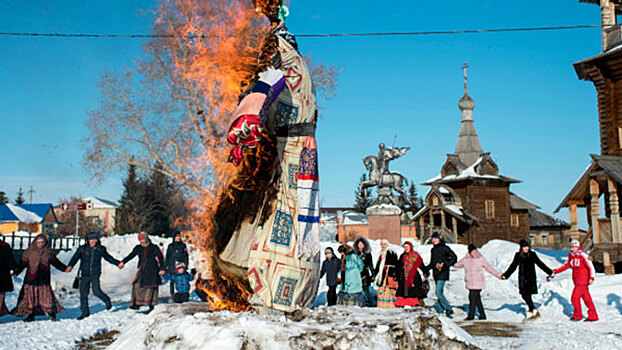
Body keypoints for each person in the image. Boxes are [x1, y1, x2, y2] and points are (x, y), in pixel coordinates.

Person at [66, 232, 123, 320]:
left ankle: (107, 300)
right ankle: (85, 313)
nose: (93, 241)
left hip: (95, 274)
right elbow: (75, 258)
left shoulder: (101, 249)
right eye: (91, 239)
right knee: (83, 294)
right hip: (84, 274)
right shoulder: (82, 249)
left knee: (96, 291)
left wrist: (117, 263)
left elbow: (108, 258)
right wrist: (70, 266)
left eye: (95, 239)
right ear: (88, 240)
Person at [12, 234, 68, 322]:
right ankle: (31, 315)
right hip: (31, 278)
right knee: (31, 297)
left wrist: (65, 268)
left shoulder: (49, 252)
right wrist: (16, 272)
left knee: (46, 297)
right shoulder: (29, 252)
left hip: (43, 278)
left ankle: (51, 313)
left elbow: (56, 262)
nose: (41, 244)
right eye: (39, 242)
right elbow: (23, 263)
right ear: (35, 243)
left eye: (42, 242)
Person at [501, 239, 553, 322]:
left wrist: (550, 272)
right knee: (524, 295)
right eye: (524, 247)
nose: (526, 249)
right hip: (522, 278)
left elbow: (540, 264)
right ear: (521, 248)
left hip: (530, 278)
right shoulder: (518, 255)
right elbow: (513, 266)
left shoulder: (532, 254)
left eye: (527, 247)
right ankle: (533, 311)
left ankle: (532, 313)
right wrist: (505, 275)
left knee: (528, 295)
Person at [550, 239, 598, 322]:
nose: (572, 249)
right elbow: (566, 266)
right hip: (576, 281)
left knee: (574, 298)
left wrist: (591, 278)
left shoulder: (583, 256)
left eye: (574, 247)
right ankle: (593, 316)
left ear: (578, 247)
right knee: (587, 299)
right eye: (571, 247)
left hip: (583, 281)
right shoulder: (571, 256)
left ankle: (577, 315)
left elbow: (591, 267)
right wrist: (556, 271)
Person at [454, 244, 503, 321]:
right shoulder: (466, 259)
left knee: (472, 297)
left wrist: (499, 275)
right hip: (470, 282)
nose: (475, 252)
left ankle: (471, 315)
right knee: (477, 299)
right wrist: (450, 262)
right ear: (470, 252)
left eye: (476, 250)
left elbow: (489, 267)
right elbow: (457, 264)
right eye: (473, 251)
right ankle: (482, 315)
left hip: (478, 282)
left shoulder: (480, 258)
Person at [120, 232, 165, 313]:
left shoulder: (153, 247)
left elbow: (160, 257)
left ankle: (151, 304)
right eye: (140, 240)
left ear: (146, 238)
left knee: (151, 287)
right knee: (136, 285)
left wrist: (162, 268)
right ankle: (136, 303)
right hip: (142, 269)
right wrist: (123, 262)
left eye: (143, 239)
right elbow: (131, 255)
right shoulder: (138, 248)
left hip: (152, 270)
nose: (142, 241)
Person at [423, 232, 457, 317]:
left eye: (435, 238)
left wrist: (444, 264)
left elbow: (454, 258)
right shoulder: (433, 250)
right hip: (436, 273)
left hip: (443, 272)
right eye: (432, 239)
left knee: (438, 292)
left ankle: (448, 308)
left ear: (439, 239)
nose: (433, 240)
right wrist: (425, 269)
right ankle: (442, 309)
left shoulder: (445, 248)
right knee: (439, 292)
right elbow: (432, 262)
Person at [395, 241, 425, 307]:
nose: (406, 248)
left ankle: (414, 303)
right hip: (403, 276)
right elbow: (398, 265)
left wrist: (425, 271)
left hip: (413, 276)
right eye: (405, 247)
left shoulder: (415, 256)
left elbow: (420, 265)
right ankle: (403, 303)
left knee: (413, 290)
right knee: (403, 290)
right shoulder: (402, 256)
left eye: (407, 247)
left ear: (410, 247)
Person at [165, 231, 189, 302]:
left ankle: (184, 294)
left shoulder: (183, 245)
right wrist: (165, 266)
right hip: (172, 265)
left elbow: (186, 255)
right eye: (177, 236)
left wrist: (186, 264)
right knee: (172, 281)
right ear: (174, 237)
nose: (178, 238)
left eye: (179, 236)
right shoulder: (170, 246)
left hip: (180, 266)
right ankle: (172, 295)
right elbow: (167, 256)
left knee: (183, 279)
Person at [375, 239, 398, 308]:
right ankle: (382, 304)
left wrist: (394, 273)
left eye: (384, 244)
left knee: (389, 288)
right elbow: (379, 265)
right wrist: (374, 274)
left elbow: (395, 263)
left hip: (390, 273)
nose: (383, 246)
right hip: (383, 273)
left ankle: (390, 304)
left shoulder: (391, 252)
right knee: (383, 288)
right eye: (382, 244)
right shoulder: (381, 253)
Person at [353, 237, 376, 307]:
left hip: (365, 274)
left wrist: (373, 274)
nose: (360, 246)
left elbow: (370, 264)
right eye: (359, 244)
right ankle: (361, 303)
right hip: (357, 274)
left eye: (361, 244)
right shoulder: (355, 254)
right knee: (358, 290)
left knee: (366, 290)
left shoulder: (368, 254)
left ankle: (372, 303)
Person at [0, 240, 17, 316]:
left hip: (2, 274)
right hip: (3, 273)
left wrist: (15, 268)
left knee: (1, 293)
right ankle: (3, 311)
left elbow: (10, 259)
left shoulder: (4, 246)